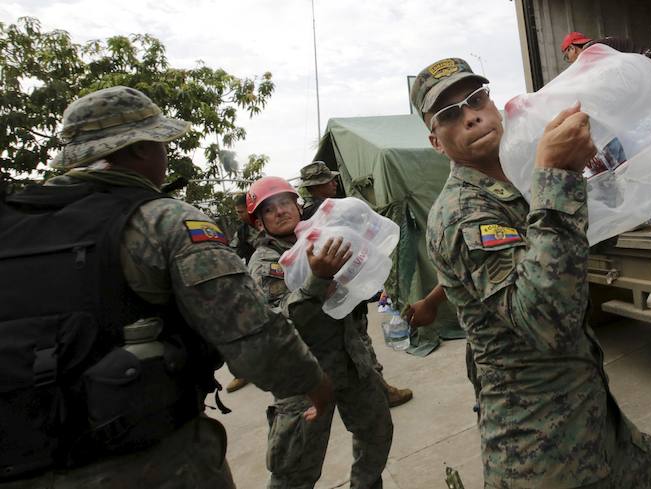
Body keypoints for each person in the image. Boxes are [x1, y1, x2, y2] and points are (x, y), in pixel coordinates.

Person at [0, 86, 331, 488]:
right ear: (141, 149)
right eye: (162, 144)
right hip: (147, 464)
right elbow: (253, 335)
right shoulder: (162, 222)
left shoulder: (11, 225)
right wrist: (311, 384)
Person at [411, 57, 651, 489]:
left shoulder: (520, 174)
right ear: (436, 142)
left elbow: (577, 247)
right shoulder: (463, 211)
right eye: (449, 114)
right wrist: (558, 177)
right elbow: (545, 321)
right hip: (538, 438)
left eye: (476, 98)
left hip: (587, 403)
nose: (471, 115)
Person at [246, 176, 393, 489]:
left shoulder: (323, 235)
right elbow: (279, 319)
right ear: (259, 223)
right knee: (295, 467)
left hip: (351, 360)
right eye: (269, 210)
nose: (281, 211)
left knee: (377, 433)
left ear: (298, 205)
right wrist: (317, 279)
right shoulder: (265, 263)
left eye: (285, 202)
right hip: (304, 375)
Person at [298, 160, 414, 408]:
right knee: (360, 341)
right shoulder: (330, 211)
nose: (334, 183)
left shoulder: (305, 215)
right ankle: (381, 391)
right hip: (345, 287)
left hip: (326, 292)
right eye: (329, 180)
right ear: (319, 185)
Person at [225, 191, 261, 394]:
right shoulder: (243, 231)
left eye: (241, 211)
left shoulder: (269, 219)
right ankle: (243, 371)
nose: (239, 215)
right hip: (256, 283)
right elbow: (234, 254)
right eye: (237, 212)